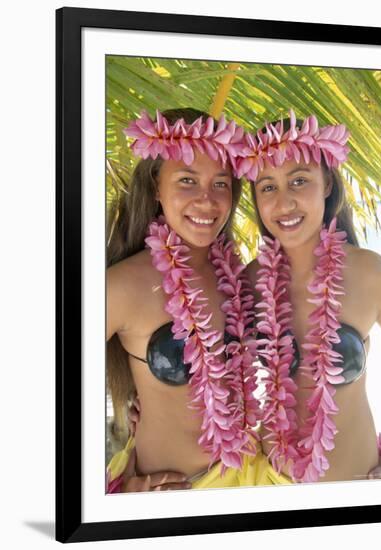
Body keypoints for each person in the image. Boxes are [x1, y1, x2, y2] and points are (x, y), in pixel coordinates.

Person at [106, 107, 290, 493]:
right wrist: (101, 494)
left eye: (220, 184)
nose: (207, 201)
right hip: (171, 500)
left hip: (251, 482)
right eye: (188, 180)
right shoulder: (122, 286)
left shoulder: (246, 279)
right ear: (157, 186)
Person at [234, 110, 381, 483]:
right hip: (269, 488)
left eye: (299, 181)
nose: (283, 202)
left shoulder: (370, 273)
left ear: (328, 185)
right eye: (267, 186)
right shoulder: (249, 282)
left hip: (357, 491)